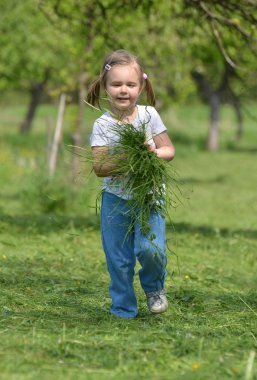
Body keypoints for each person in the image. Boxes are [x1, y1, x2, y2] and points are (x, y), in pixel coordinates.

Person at [87, 50, 175, 319]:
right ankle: (123, 309)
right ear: (105, 86)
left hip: (148, 196)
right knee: (119, 260)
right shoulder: (102, 125)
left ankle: (154, 288)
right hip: (115, 201)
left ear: (141, 86)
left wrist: (151, 153)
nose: (123, 90)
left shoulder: (149, 115)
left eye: (130, 84)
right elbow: (100, 167)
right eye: (116, 84)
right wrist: (125, 158)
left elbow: (168, 150)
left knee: (152, 250)